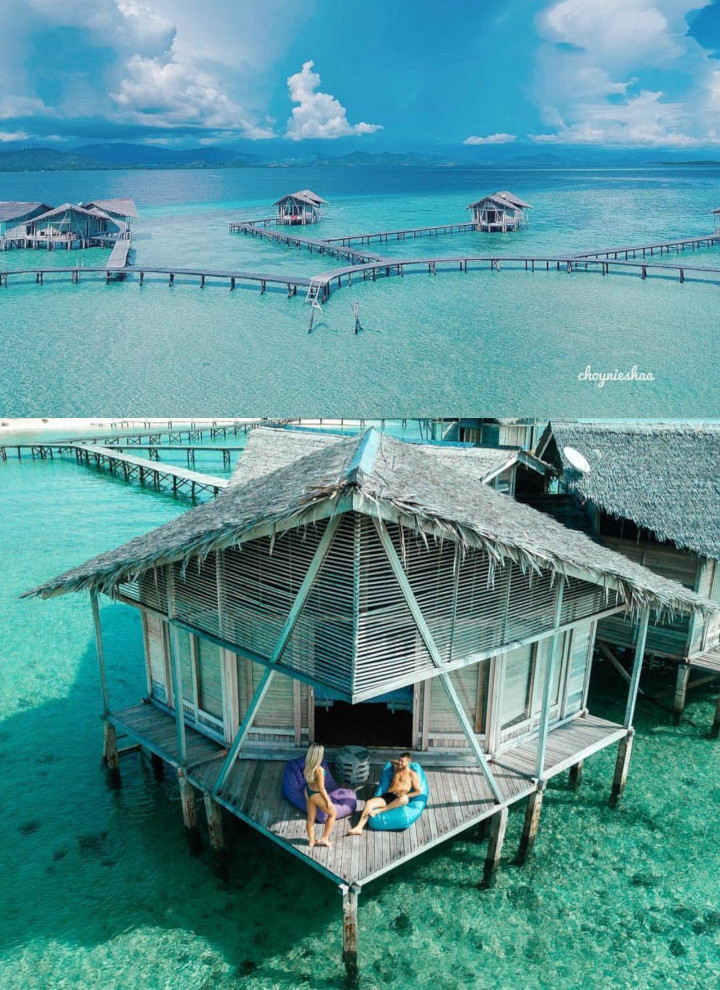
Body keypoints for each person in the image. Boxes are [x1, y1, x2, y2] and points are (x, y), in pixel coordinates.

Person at [348, 752, 421, 835]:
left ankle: (379, 811)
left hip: (399, 798)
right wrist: (399, 762)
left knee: (404, 799)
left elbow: (418, 791)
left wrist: (406, 795)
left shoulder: (412, 774)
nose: (400, 762)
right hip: (388, 795)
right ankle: (359, 827)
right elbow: (391, 762)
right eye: (399, 760)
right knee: (369, 803)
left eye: (402, 761)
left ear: (408, 761)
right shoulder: (397, 767)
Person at [303, 743, 336, 849]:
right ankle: (325, 838)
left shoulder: (308, 764)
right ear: (318, 755)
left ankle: (311, 842)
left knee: (310, 819)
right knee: (333, 814)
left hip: (308, 792)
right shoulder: (319, 770)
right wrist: (328, 801)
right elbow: (322, 788)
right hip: (316, 794)